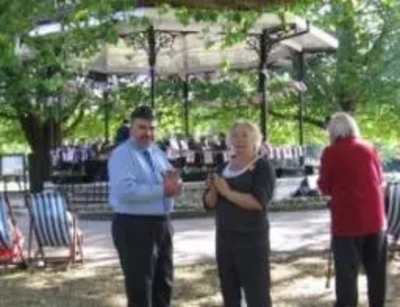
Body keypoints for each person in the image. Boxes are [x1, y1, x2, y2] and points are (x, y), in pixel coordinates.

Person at [108, 106, 182, 307]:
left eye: (152, 128)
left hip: (162, 224)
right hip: (134, 226)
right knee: (140, 290)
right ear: (131, 128)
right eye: (142, 127)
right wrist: (163, 190)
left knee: (164, 285)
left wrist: (176, 186)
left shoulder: (157, 152)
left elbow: (168, 181)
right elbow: (126, 191)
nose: (147, 133)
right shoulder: (121, 154)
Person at [203, 121, 276, 307]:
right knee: (229, 294)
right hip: (225, 240)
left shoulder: (262, 167)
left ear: (255, 140)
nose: (239, 139)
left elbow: (259, 203)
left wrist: (227, 192)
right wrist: (213, 190)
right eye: (235, 135)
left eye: (245, 135)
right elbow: (209, 204)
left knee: (257, 295)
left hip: (251, 242)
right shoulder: (222, 168)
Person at [318, 112, 387, 307]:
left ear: (333, 130)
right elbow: (379, 179)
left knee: (347, 273)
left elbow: (324, 186)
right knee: (376, 271)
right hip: (375, 218)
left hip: (347, 220)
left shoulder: (331, 152)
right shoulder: (369, 148)